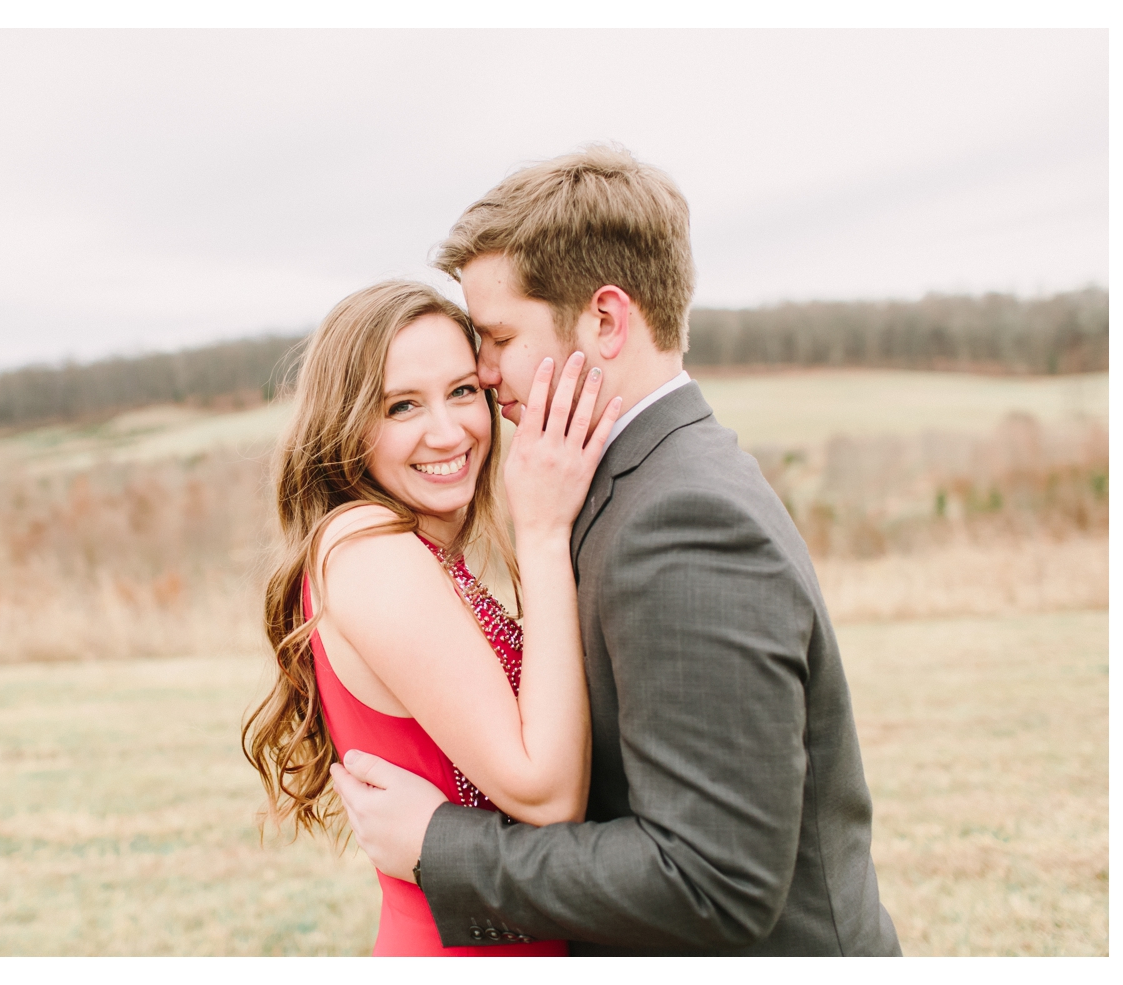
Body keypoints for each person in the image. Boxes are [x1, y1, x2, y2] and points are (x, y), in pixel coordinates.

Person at [329, 146, 904, 956]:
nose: (485, 373)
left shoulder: (685, 518)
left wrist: (440, 846)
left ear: (605, 320)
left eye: (498, 338)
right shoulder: (622, 482)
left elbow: (714, 881)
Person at [242, 279, 622, 955]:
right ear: (346, 424)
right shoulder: (365, 547)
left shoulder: (416, 552)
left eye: (462, 391)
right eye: (402, 405)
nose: (448, 431)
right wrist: (539, 533)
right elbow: (545, 792)